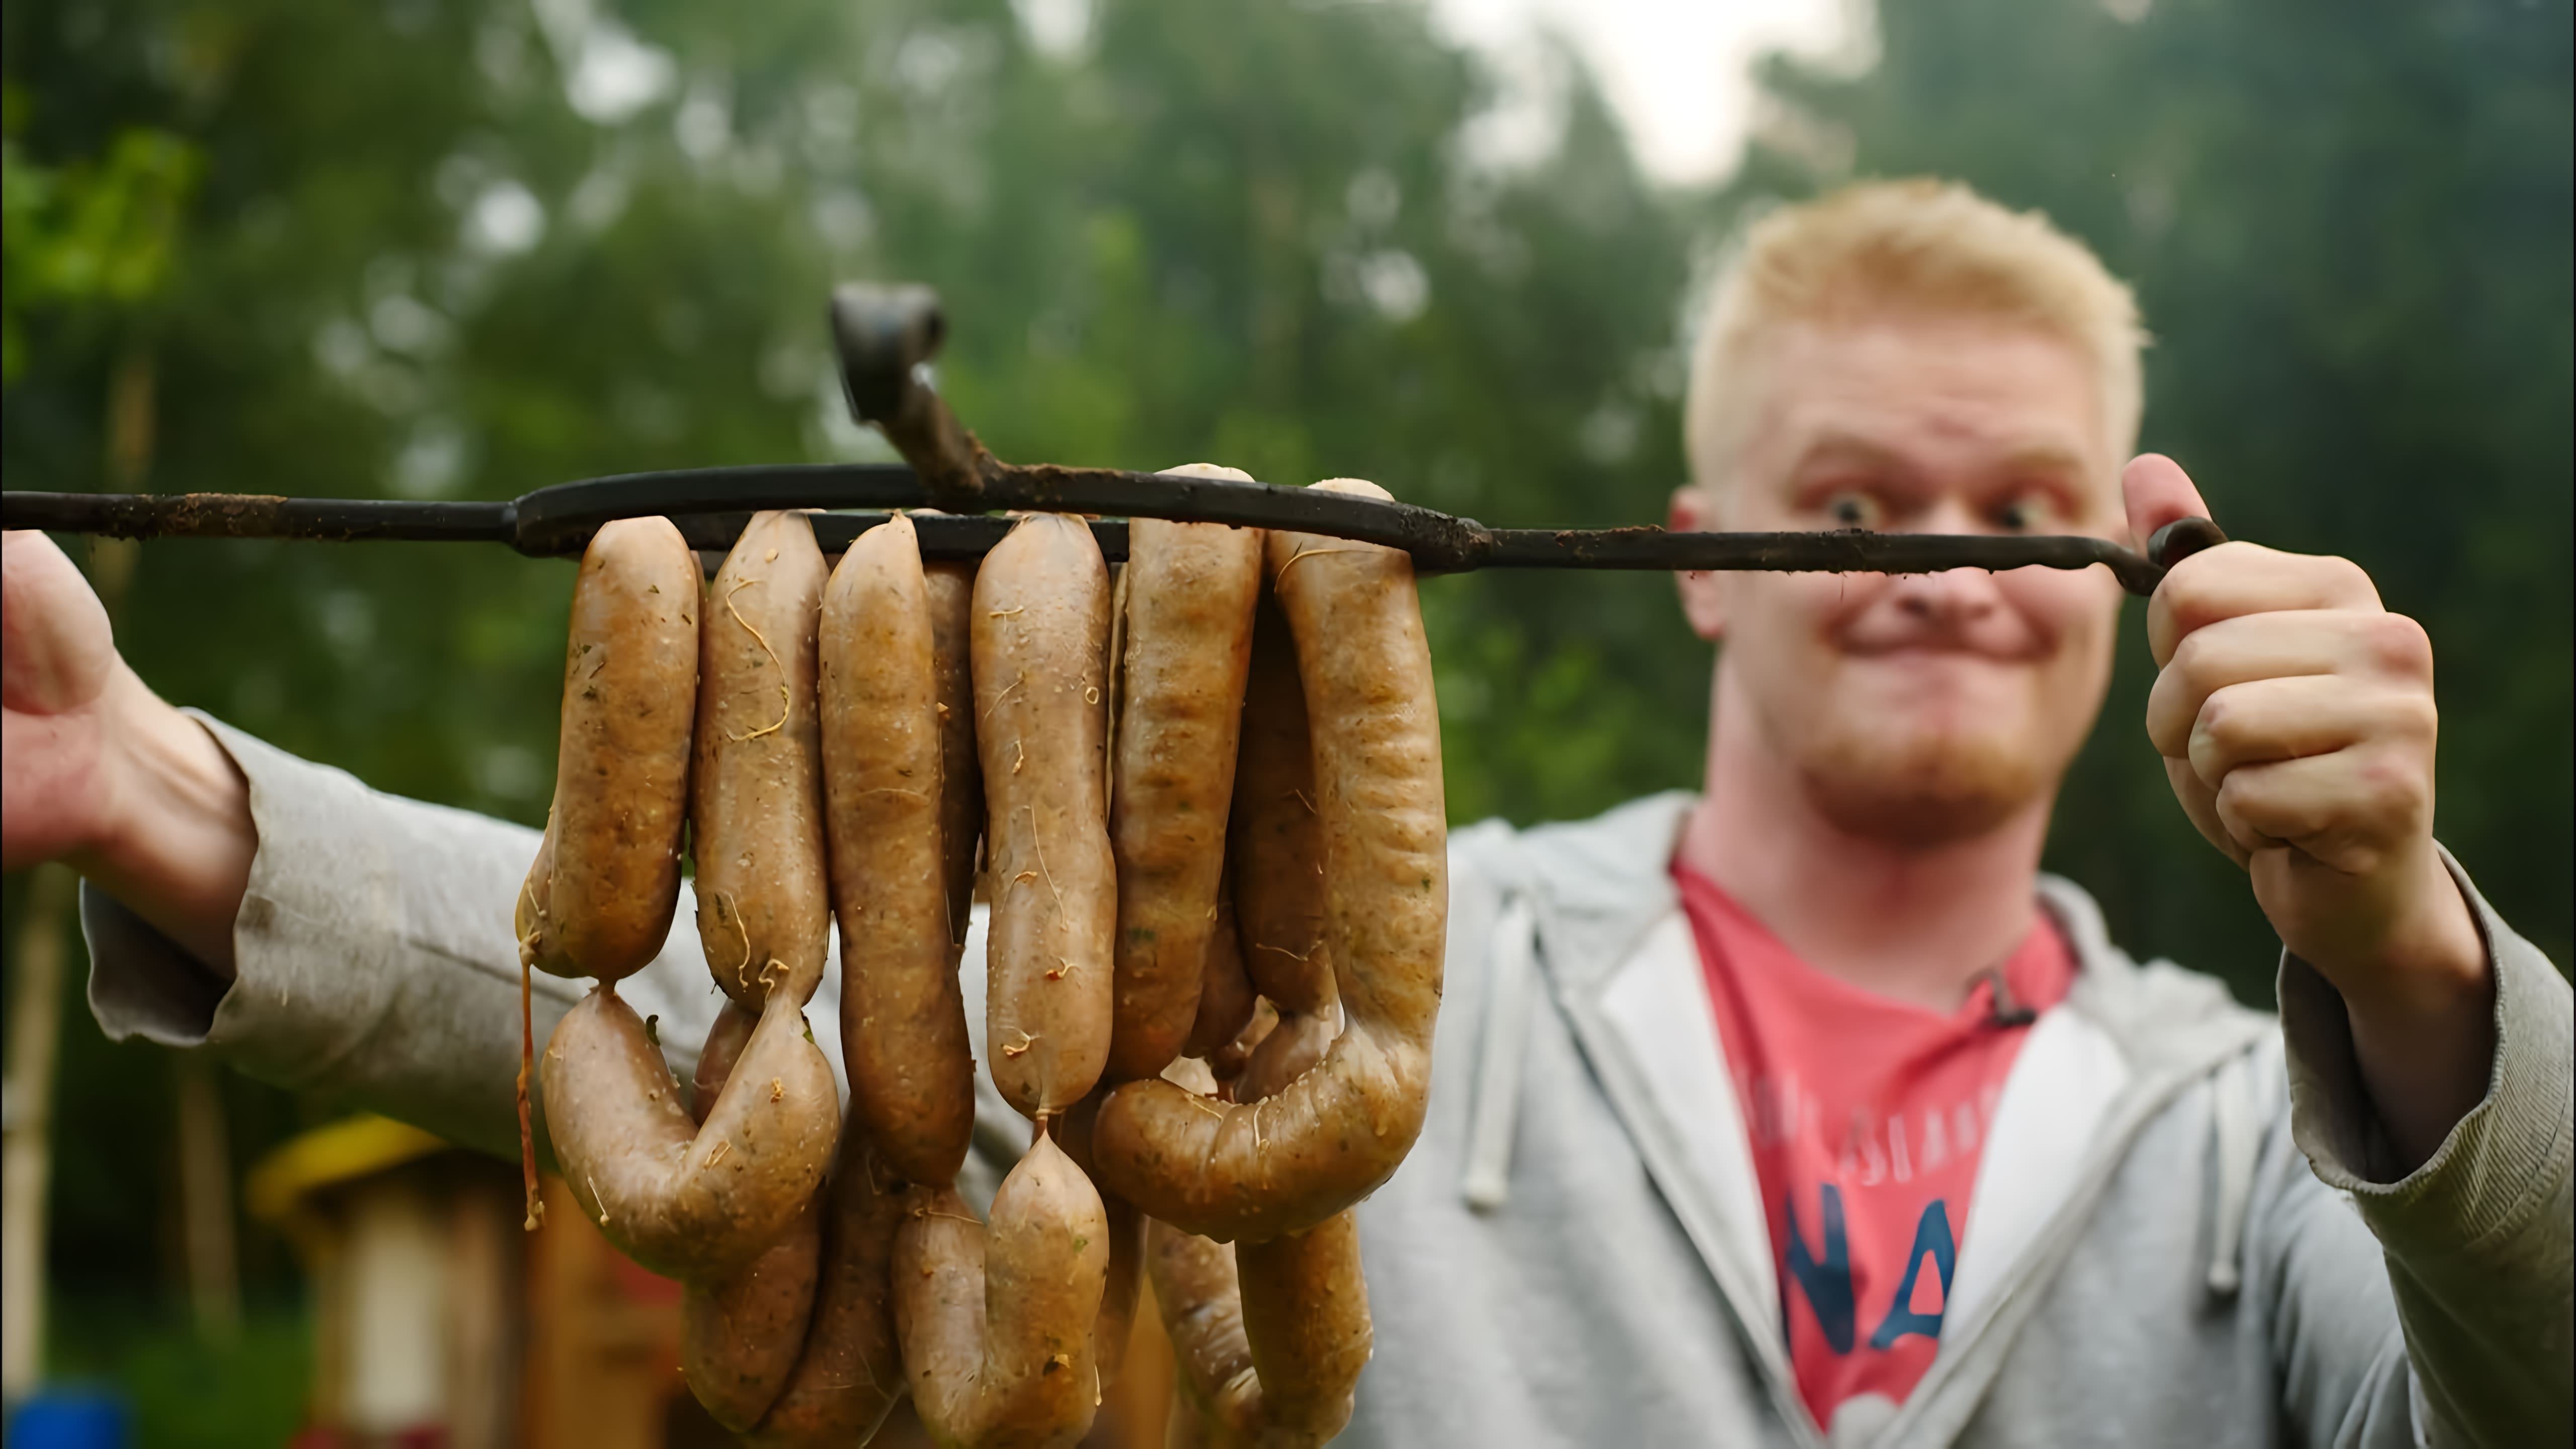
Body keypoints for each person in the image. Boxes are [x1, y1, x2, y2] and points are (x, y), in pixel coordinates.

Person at [3, 179, 2565, 1447]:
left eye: (2006, 515)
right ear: (1701, 565)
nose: (1923, 575)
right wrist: (153, 792)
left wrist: (2397, 951)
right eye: (1849, 507)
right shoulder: (1359, 968)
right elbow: (766, 1015)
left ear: (2128, 565)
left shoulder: (2272, 1121)